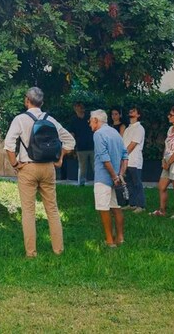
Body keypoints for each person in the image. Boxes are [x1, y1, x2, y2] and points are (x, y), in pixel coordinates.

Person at [4, 87, 76, 258]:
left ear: (27, 100)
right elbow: (70, 141)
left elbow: (8, 145)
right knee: (52, 209)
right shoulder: (50, 119)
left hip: (27, 167)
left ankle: (31, 252)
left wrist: (15, 164)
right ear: (42, 102)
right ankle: (58, 250)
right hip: (48, 167)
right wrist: (60, 158)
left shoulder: (20, 119)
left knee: (28, 211)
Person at [89, 109, 129, 247]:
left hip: (103, 177)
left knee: (103, 208)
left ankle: (109, 240)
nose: (89, 124)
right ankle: (120, 238)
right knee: (116, 207)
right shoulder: (115, 132)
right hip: (116, 177)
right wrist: (120, 175)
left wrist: (113, 176)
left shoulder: (98, 134)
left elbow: (104, 157)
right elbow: (125, 155)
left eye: (90, 121)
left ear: (96, 120)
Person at [152, 106, 174, 217]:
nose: (168, 117)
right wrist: (163, 160)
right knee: (161, 186)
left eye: (171, 115)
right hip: (167, 159)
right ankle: (162, 211)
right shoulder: (170, 129)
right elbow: (167, 146)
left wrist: (169, 162)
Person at [123, 106, 146, 212]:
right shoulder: (128, 128)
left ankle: (141, 205)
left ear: (138, 115)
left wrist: (123, 156)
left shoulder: (139, 128)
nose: (131, 112)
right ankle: (132, 203)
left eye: (134, 111)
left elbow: (133, 144)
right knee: (129, 183)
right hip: (126, 160)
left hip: (134, 160)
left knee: (137, 183)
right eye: (130, 110)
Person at [67, 102, 94, 186]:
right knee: (82, 167)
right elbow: (72, 133)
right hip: (80, 147)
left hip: (92, 145)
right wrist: (72, 146)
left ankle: (98, 181)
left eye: (81, 106)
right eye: (78, 107)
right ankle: (81, 184)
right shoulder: (73, 120)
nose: (80, 108)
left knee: (95, 166)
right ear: (75, 109)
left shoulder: (89, 117)